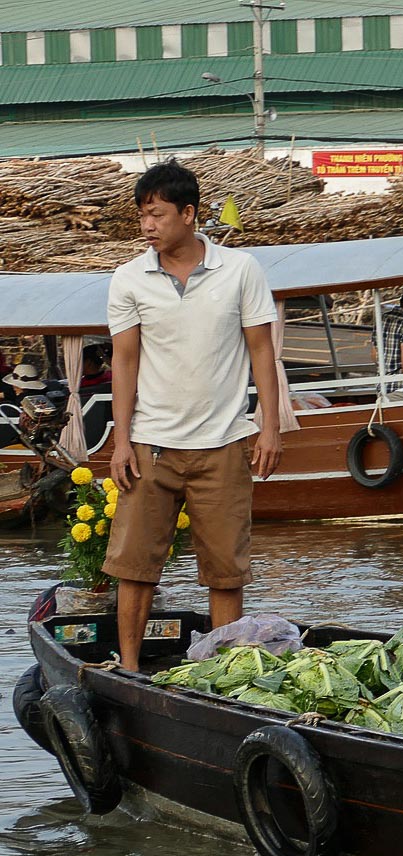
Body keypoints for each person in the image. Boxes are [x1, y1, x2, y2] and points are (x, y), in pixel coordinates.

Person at [104, 160, 282, 672]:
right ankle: (131, 667)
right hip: (150, 444)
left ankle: (224, 673)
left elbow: (262, 353)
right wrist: (121, 440)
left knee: (226, 571)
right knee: (134, 566)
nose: (147, 226)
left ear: (189, 213)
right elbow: (125, 360)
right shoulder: (128, 278)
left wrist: (269, 427)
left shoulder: (241, 270)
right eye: (141, 216)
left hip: (225, 441)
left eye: (156, 215)